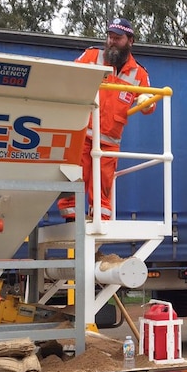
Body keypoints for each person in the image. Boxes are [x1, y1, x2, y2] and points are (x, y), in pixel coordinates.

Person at [57, 17, 156, 221]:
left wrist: (146, 101)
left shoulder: (139, 74)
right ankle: (70, 221)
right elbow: (69, 78)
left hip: (109, 145)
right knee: (74, 179)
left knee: (102, 190)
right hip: (82, 135)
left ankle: (98, 230)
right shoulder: (92, 56)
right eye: (110, 36)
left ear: (130, 41)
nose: (111, 41)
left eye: (117, 38)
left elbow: (150, 107)